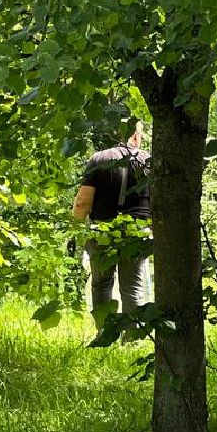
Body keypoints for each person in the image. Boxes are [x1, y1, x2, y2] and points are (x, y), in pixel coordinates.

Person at [71, 122, 151, 334]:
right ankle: (133, 336)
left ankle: (105, 333)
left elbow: (82, 202)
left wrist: (75, 231)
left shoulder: (99, 159)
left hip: (103, 231)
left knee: (102, 284)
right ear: (135, 135)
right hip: (137, 231)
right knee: (133, 287)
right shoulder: (148, 161)